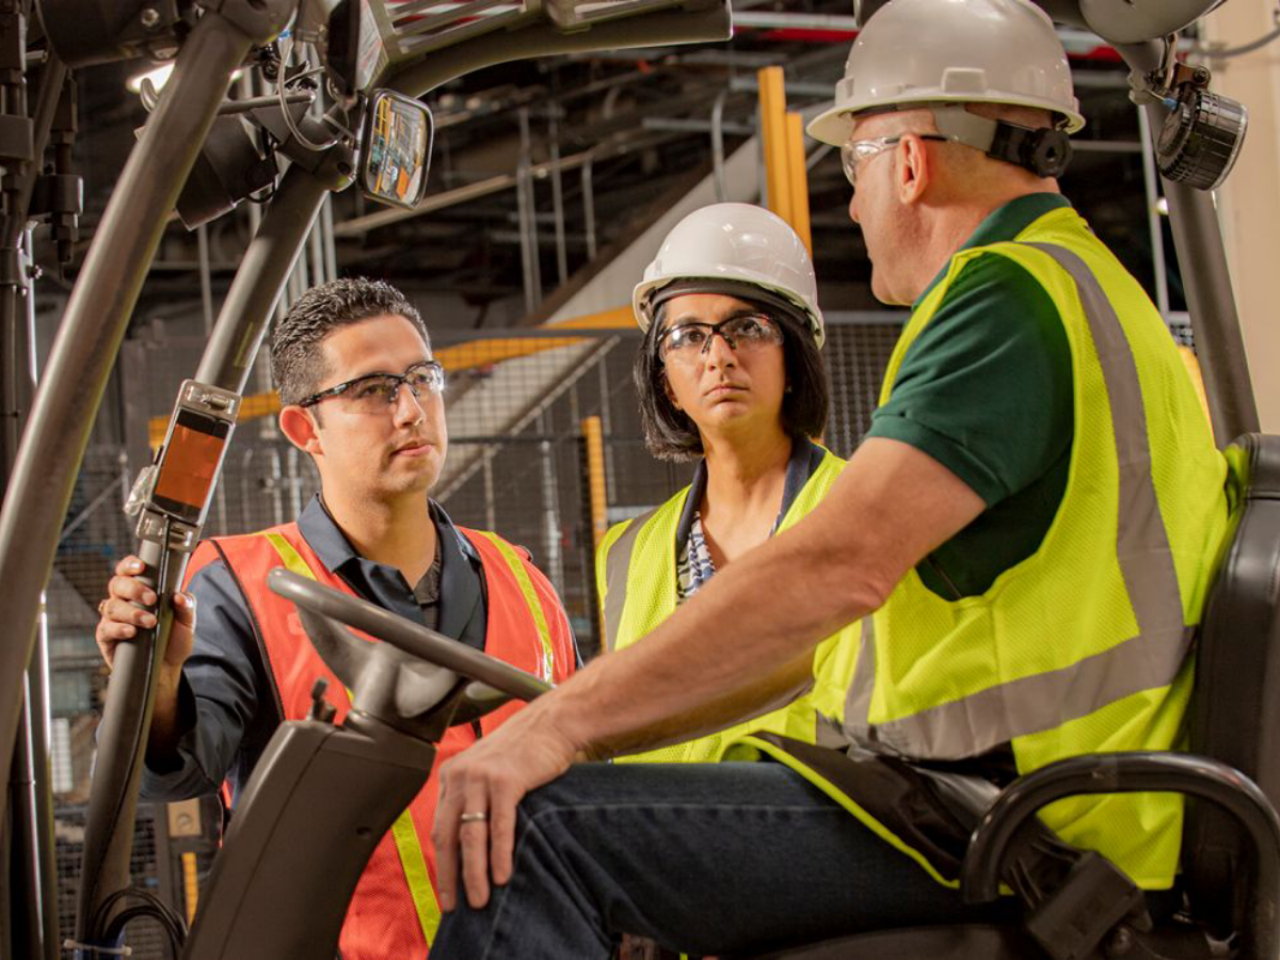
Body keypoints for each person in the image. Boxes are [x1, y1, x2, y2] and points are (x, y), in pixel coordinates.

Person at [426, 1, 1233, 956]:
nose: (851, 203)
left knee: (542, 835)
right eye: (688, 337)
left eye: (850, 165)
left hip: (1017, 826)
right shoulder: (1088, 286)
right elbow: (828, 632)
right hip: (1039, 806)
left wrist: (553, 731)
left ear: (909, 159)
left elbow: (836, 567)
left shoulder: (1003, 300)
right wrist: (585, 728)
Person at [95, 278, 579, 959]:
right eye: (374, 390)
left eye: (422, 378)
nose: (411, 410)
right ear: (304, 427)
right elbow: (177, 771)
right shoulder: (241, 584)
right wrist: (158, 679)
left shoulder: (521, 578)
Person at [601, 202, 856, 766]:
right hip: (649, 844)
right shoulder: (622, 555)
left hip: (814, 837)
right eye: (689, 336)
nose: (718, 355)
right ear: (666, 382)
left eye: (747, 328)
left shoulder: (861, 510)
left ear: (794, 356)